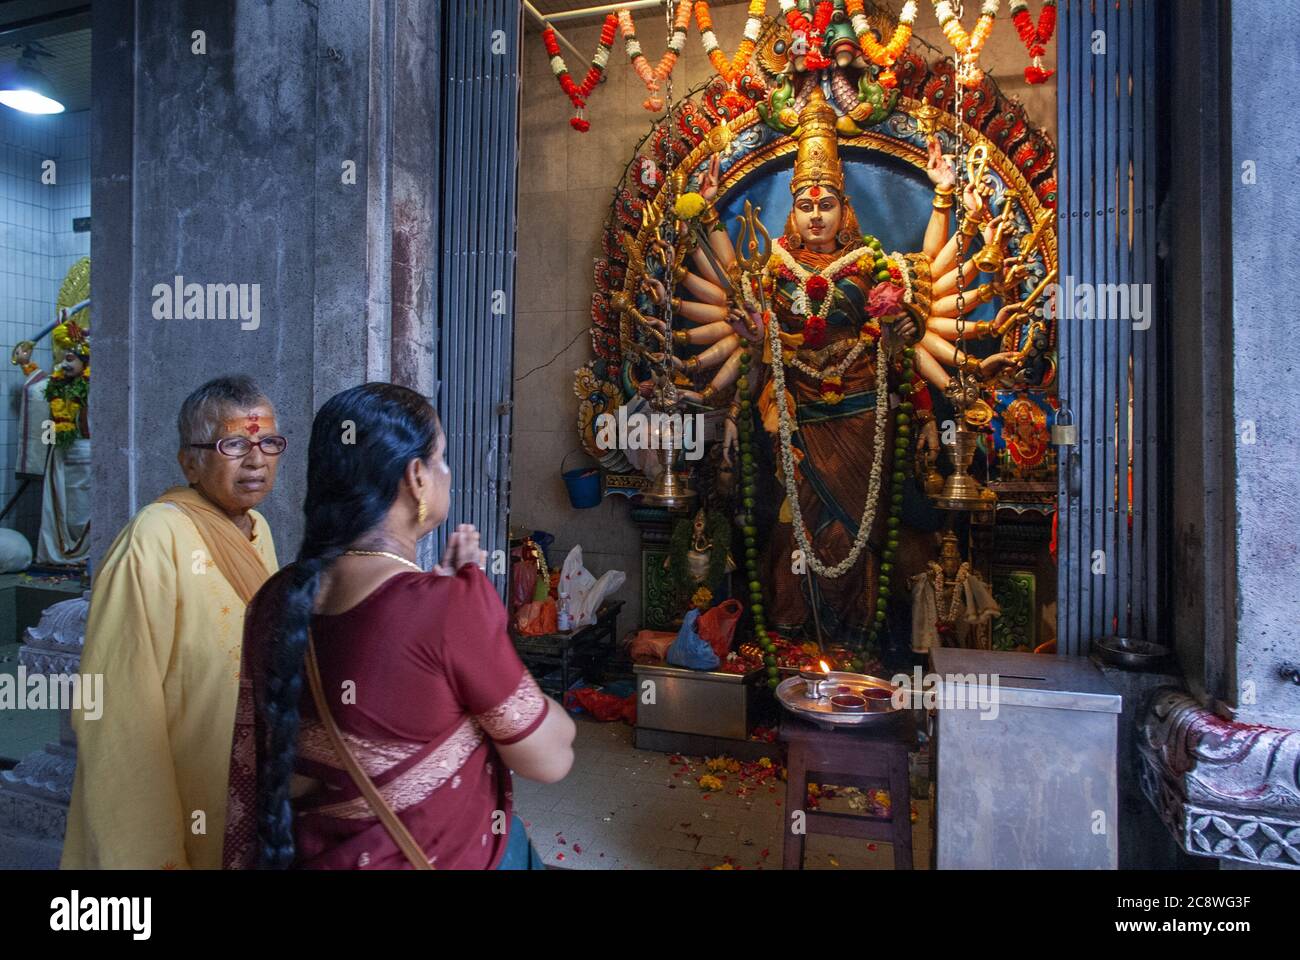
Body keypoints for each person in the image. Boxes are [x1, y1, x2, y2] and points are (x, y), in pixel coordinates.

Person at [225, 383, 574, 870]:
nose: (447, 474)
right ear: (416, 478)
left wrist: (451, 611)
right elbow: (552, 758)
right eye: (442, 460)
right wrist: (475, 623)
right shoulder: (446, 609)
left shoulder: (273, 600)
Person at [62, 375, 283, 869]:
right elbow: (115, 712)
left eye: (269, 442)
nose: (257, 460)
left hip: (243, 789)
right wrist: (148, 853)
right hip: (180, 807)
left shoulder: (257, 529)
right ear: (190, 460)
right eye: (234, 444)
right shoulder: (153, 539)